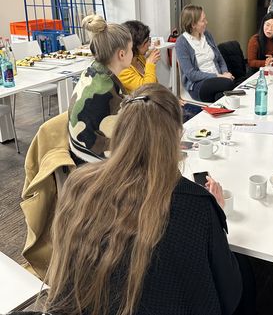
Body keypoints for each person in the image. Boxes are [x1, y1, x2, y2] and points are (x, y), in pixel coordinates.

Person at [46, 84, 245, 315]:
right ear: (176, 138)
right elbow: (230, 296)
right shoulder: (196, 205)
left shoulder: (78, 186)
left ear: (119, 132)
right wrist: (217, 214)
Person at [68, 14, 132, 164]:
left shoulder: (92, 71)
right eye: (131, 49)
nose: (132, 52)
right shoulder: (107, 91)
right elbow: (122, 141)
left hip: (78, 148)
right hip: (92, 161)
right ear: (121, 54)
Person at [176, 4, 235, 103]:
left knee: (221, 96)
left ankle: (219, 103)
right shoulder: (181, 42)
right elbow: (191, 75)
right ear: (193, 24)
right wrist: (219, 76)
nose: (206, 22)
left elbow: (220, 58)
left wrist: (224, 72)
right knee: (229, 84)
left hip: (219, 81)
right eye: (203, 20)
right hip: (198, 85)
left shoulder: (207, 35)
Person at [118, 20, 161, 94]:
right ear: (134, 46)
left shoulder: (139, 57)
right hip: (140, 104)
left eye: (149, 39)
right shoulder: (122, 71)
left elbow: (155, 85)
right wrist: (150, 65)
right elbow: (147, 90)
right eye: (146, 42)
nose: (149, 44)